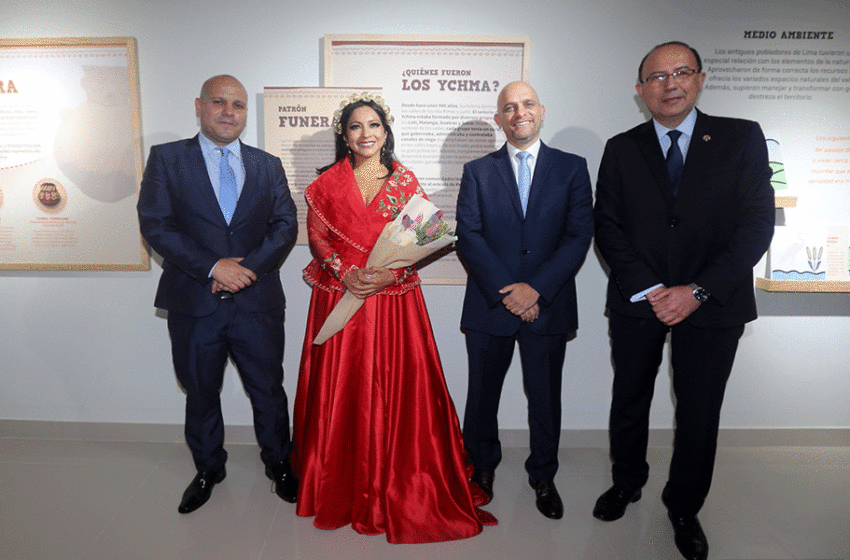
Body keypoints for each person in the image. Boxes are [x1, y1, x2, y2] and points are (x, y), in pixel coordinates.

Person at [592, 41, 775, 560]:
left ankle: (683, 505)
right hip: (638, 301)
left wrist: (696, 291)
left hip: (713, 303)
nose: (669, 84)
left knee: (699, 409)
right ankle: (627, 482)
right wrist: (655, 291)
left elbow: (756, 225)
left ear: (699, 79)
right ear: (640, 89)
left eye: (681, 72)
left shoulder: (741, 137)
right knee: (630, 398)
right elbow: (608, 225)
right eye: (656, 76)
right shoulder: (621, 147)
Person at [292, 93, 496, 543]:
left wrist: (389, 271)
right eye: (355, 127)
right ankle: (336, 480)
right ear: (343, 136)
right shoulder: (324, 184)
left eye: (374, 126)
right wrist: (346, 273)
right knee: (341, 388)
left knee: (394, 386)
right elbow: (319, 238)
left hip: (391, 300)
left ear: (386, 132)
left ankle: (397, 479)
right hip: (340, 295)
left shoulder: (405, 181)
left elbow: (425, 235)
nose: (366, 134)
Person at [137, 75, 299, 514]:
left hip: (257, 303)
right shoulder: (168, 159)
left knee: (268, 389)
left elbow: (285, 224)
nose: (229, 112)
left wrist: (244, 270)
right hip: (194, 302)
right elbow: (155, 224)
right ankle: (209, 468)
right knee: (201, 390)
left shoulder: (267, 165)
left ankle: (280, 464)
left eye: (239, 105)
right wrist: (213, 267)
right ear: (199, 106)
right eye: (219, 102)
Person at [455, 81, 594, 520]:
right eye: (509, 107)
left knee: (545, 396)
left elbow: (578, 236)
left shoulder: (572, 168)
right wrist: (511, 293)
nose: (519, 112)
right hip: (489, 306)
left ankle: (543, 475)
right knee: (481, 396)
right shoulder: (477, 171)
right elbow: (469, 237)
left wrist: (535, 289)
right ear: (499, 119)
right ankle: (482, 469)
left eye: (527, 104)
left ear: (542, 111)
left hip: (547, 305)